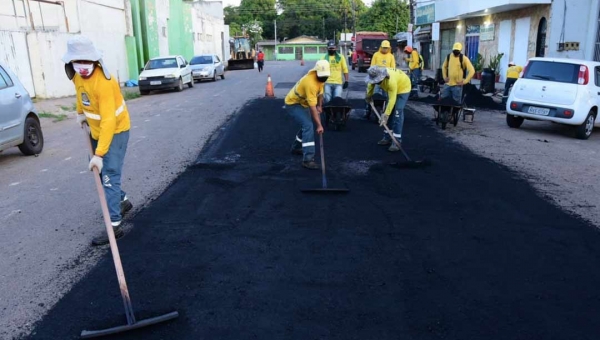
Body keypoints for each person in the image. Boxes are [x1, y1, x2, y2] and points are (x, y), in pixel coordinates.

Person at [62, 36, 132, 246]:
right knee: (100, 173)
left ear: (95, 61)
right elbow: (80, 93)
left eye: (87, 62)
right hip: (95, 131)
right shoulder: (77, 77)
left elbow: (109, 121)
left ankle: (115, 226)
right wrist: (80, 113)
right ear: (71, 62)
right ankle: (123, 201)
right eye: (78, 62)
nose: (82, 67)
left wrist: (100, 154)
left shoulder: (104, 83)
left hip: (116, 131)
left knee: (109, 175)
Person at [284, 60, 330, 170]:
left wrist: (320, 105)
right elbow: (312, 108)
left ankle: (296, 148)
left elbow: (320, 93)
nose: (324, 78)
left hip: (302, 103)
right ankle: (308, 159)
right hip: (293, 103)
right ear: (316, 71)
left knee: (306, 125)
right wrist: (319, 125)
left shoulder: (321, 77)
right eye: (322, 76)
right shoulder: (310, 83)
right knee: (308, 125)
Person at [365, 66, 411, 152]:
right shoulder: (374, 77)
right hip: (393, 89)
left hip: (403, 88)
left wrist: (385, 115)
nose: (376, 83)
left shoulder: (390, 81)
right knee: (388, 110)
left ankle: (396, 141)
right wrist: (368, 96)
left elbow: (392, 100)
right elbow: (370, 85)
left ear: (382, 77)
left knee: (397, 112)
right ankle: (387, 137)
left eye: (378, 81)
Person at [440, 42, 475, 121]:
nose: (456, 52)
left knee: (455, 104)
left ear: (460, 51)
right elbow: (444, 67)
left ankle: (452, 116)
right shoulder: (449, 57)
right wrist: (445, 77)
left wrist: (465, 81)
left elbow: (472, 70)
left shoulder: (463, 58)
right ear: (453, 50)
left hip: (457, 86)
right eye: (455, 51)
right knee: (444, 101)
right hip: (448, 85)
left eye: (457, 51)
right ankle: (443, 115)